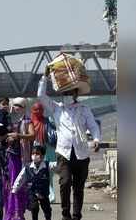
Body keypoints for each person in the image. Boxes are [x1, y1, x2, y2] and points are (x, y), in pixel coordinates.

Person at [37, 74, 101, 220]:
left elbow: (93, 126)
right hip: (64, 153)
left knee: (78, 187)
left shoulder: (84, 109)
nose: (67, 95)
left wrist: (96, 139)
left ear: (75, 94)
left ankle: (76, 215)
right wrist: (44, 78)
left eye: (70, 92)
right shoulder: (56, 108)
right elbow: (41, 95)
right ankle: (65, 214)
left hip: (82, 154)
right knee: (65, 182)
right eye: (65, 93)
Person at [11, 145, 57, 220]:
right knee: (34, 208)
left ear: (42, 156)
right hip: (32, 192)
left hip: (44, 193)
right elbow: (20, 178)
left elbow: (57, 165)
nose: (34, 155)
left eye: (37, 154)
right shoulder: (27, 167)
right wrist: (15, 189)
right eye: (33, 153)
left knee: (47, 210)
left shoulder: (47, 165)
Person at [30, 102, 57, 203]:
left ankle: (50, 193)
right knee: (37, 173)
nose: (38, 111)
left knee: (48, 172)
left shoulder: (48, 120)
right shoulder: (30, 122)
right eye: (36, 109)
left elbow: (57, 128)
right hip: (36, 150)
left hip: (48, 149)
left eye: (40, 109)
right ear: (32, 110)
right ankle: (40, 194)